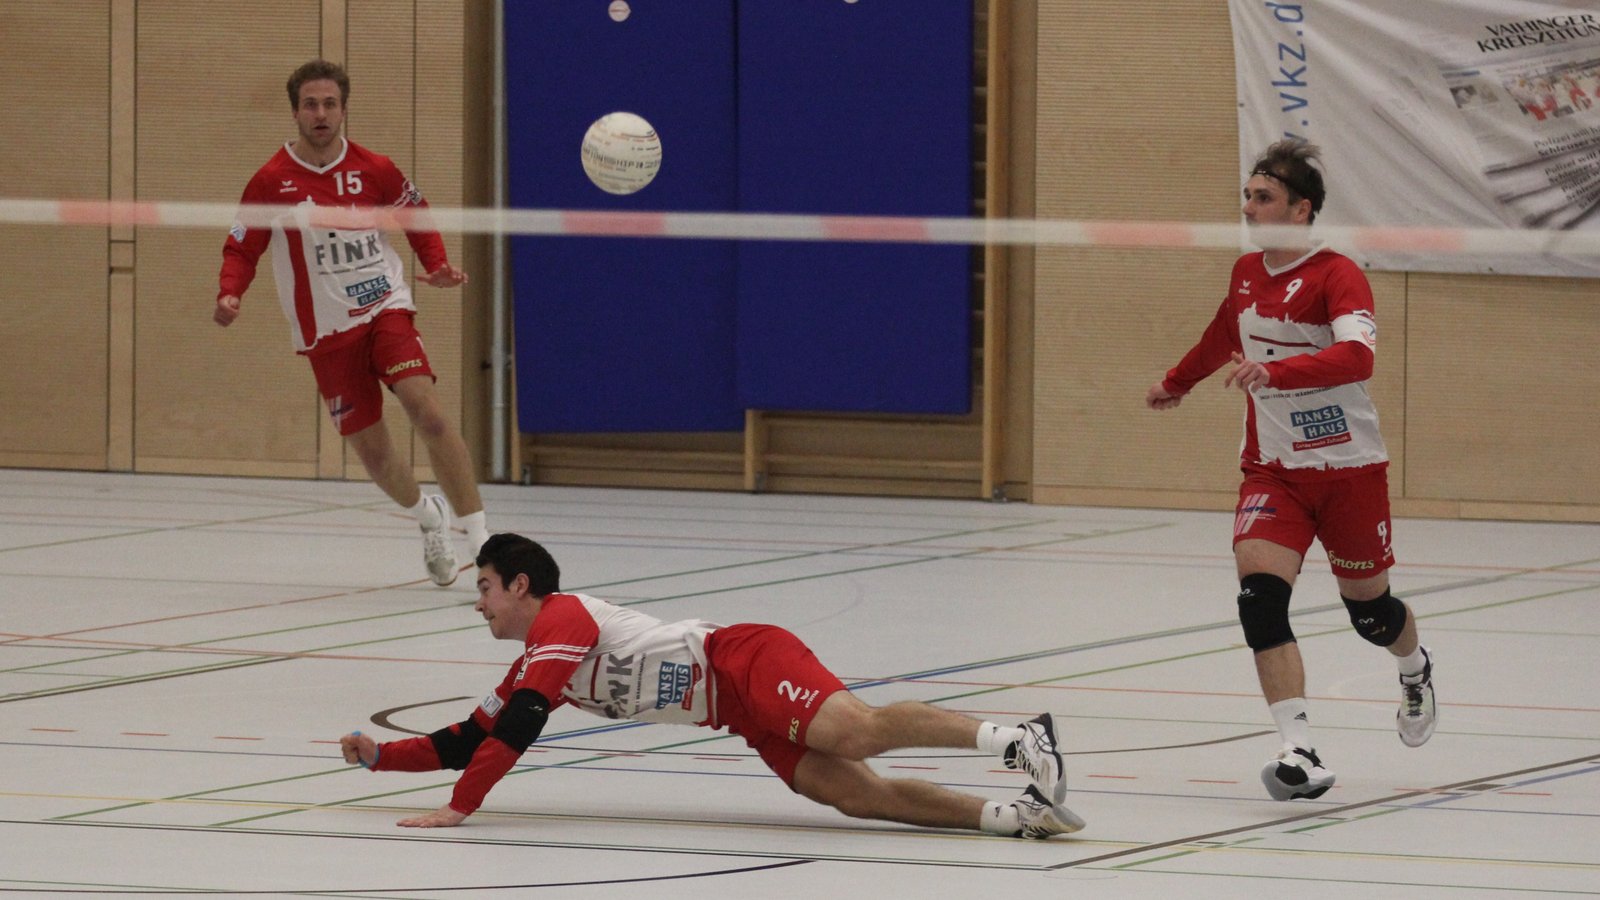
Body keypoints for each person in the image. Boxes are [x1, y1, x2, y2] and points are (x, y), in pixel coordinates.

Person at [338, 533, 1086, 839]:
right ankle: (1015, 819)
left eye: (487, 589)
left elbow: (523, 725)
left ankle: (1020, 739)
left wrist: (462, 809)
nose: (480, 604)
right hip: (734, 714)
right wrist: (381, 758)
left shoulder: (561, 619)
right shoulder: (536, 662)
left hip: (743, 661)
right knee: (856, 795)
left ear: (522, 586)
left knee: (852, 728)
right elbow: (469, 737)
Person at [1144, 139, 1436, 801]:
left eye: (1264, 197)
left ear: (1301, 210)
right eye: (1247, 197)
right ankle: (1298, 747)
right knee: (1259, 598)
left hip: (1349, 470)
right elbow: (1225, 333)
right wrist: (1177, 381)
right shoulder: (1247, 272)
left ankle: (1414, 668)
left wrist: (1275, 372)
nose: (1250, 208)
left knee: (1372, 616)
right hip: (1274, 472)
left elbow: (1356, 360)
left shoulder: (1338, 274)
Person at [214, 59, 487, 586]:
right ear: (295, 111)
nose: (321, 114)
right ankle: (426, 515)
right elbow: (241, 246)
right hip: (326, 335)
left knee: (425, 409)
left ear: (344, 109)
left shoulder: (376, 168)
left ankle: (485, 545)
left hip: (386, 307)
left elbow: (416, 213)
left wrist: (436, 266)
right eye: (311, 105)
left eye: (330, 104)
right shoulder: (272, 180)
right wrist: (230, 293)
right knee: (376, 454)